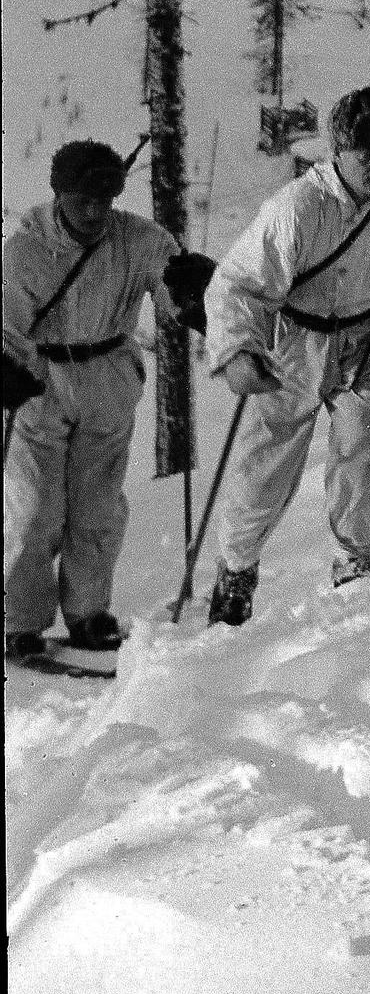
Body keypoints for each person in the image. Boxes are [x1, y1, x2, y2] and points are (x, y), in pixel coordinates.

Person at [201, 88, 370, 623]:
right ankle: (236, 568)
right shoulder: (297, 208)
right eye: (365, 154)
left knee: (368, 452)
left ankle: (357, 558)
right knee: (268, 463)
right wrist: (239, 349)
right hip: (296, 343)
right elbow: (238, 282)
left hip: (369, 341)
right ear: (338, 152)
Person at [4, 140, 215, 663]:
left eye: (105, 201)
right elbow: (6, 325)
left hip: (108, 375)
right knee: (35, 508)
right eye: (82, 202)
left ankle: (88, 613)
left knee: (97, 507)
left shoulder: (140, 239)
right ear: (59, 196)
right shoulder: (26, 248)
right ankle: (19, 620)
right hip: (42, 380)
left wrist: (193, 294)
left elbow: (172, 303)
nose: (95, 213)